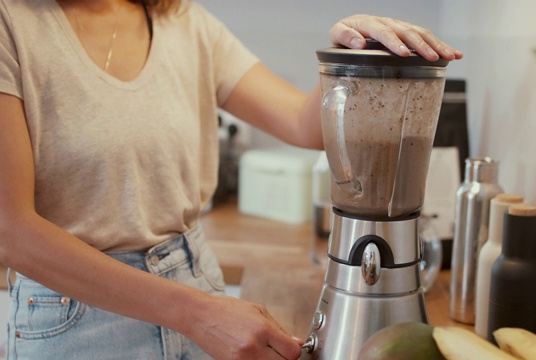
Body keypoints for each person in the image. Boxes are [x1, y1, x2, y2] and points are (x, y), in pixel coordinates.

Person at [0, 0, 463, 359]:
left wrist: (352, 52)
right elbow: (10, 231)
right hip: (76, 316)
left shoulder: (184, 21)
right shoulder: (12, 23)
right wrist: (195, 314)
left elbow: (305, 125)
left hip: (195, 279)